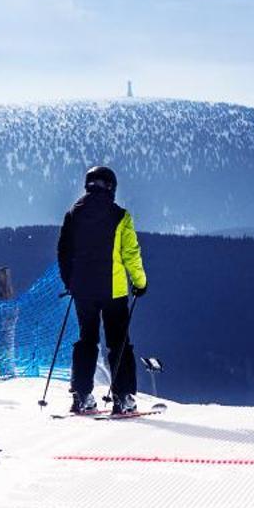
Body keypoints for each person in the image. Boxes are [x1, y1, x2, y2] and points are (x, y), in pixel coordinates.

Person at [56, 165, 148, 415]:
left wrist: (70, 282)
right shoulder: (121, 216)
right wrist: (140, 283)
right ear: (112, 187)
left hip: (82, 291)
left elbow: (64, 253)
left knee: (87, 340)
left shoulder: (73, 214)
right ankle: (123, 398)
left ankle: (81, 395)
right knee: (118, 342)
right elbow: (131, 254)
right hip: (114, 291)